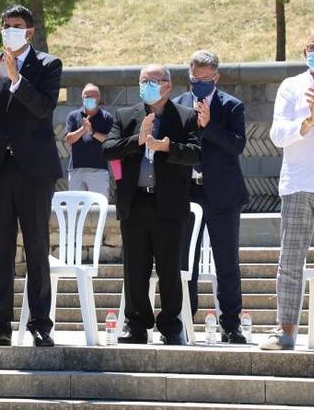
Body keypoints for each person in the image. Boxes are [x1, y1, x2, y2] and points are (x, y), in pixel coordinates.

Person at [0, 5, 62, 348]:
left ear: (30, 31)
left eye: (17, 25)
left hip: (34, 170)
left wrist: (17, 79)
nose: (9, 30)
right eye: (5, 25)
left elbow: (42, 107)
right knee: (2, 248)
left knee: (36, 246)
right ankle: (0, 326)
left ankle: (40, 324)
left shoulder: (48, 65)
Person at [102, 64, 201, 345]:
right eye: (142, 81)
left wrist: (166, 147)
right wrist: (138, 140)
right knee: (135, 269)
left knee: (169, 267)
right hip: (134, 202)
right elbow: (107, 148)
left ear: (168, 86)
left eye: (152, 81)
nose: (146, 85)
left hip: (168, 203)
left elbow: (196, 154)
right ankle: (136, 325)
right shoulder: (125, 115)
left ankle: (170, 326)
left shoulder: (184, 117)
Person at [173, 50, 248, 344]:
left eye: (205, 79)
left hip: (223, 194)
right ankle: (183, 321)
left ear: (216, 77)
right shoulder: (178, 105)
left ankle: (230, 324)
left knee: (226, 260)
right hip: (188, 193)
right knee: (184, 262)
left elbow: (237, 145)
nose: (199, 83)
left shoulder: (232, 106)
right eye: (194, 78)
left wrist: (209, 126)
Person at [260, 34, 314, 350]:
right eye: (311, 49)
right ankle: (285, 330)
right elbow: (277, 135)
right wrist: (306, 120)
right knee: (291, 260)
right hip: (297, 185)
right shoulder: (291, 87)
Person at [64, 83, 114, 199]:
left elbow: (110, 140)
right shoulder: (73, 116)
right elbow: (68, 139)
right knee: (76, 206)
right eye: (86, 96)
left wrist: (92, 132)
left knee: (99, 205)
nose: (89, 99)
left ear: (99, 98)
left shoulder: (106, 117)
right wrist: (83, 129)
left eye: (93, 96)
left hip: (99, 170)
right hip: (76, 169)